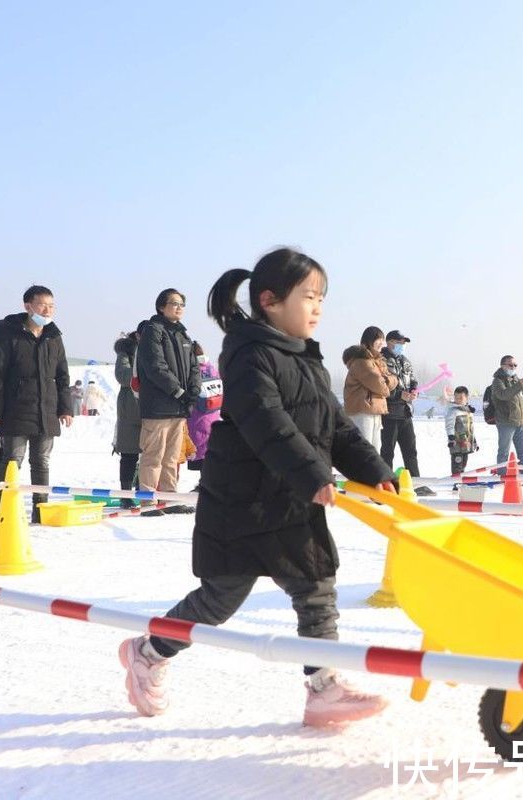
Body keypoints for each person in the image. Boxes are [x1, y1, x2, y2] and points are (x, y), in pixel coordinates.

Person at [118, 247, 394, 727]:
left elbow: (334, 424)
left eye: (321, 298)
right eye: (308, 296)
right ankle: (147, 652)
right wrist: (312, 473)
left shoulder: (306, 359)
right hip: (244, 500)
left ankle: (323, 687)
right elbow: (265, 421)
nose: (318, 307)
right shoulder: (249, 355)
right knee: (220, 598)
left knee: (315, 587)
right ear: (269, 300)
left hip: (288, 497)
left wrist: (373, 470)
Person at [0, 285, 72, 524]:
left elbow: (62, 374)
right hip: (16, 408)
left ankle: (40, 510)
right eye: (42, 304)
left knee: (41, 461)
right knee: (13, 459)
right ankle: (2, 512)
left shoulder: (53, 335)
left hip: (46, 408)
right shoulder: (8, 333)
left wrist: (65, 407)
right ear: (28, 306)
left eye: (51, 305)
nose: (47, 310)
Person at [135, 288, 202, 516]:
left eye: (182, 303)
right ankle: (147, 502)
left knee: (172, 457)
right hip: (157, 407)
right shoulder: (154, 331)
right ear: (161, 306)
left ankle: (169, 499)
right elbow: (155, 367)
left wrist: (193, 391)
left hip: (178, 407)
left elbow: (194, 367)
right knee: (154, 455)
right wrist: (178, 391)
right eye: (174, 303)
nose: (179, 307)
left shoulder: (183, 334)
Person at [342, 326, 396, 450]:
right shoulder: (361, 361)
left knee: (374, 451)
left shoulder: (377, 361)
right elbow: (379, 385)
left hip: (375, 410)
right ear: (369, 341)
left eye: (382, 340)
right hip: (363, 411)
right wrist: (386, 382)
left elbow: (394, 379)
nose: (381, 343)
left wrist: (386, 380)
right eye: (378, 340)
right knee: (364, 450)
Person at [379, 330, 422, 481]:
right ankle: (386, 484)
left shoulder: (405, 361)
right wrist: (398, 394)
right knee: (387, 452)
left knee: (411, 451)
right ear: (389, 342)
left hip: (406, 413)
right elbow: (380, 386)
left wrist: (414, 391)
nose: (402, 346)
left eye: (403, 343)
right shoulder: (381, 360)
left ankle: (416, 483)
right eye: (399, 343)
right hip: (389, 414)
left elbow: (413, 381)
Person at [113, 332, 142, 509]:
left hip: (149, 410)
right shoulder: (125, 353)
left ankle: (142, 489)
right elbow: (123, 376)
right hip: (129, 412)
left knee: (148, 456)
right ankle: (125, 494)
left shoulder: (155, 351)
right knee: (129, 455)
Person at [489, 355, 523, 471]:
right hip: (506, 422)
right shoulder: (497, 381)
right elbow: (503, 395)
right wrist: (519, 385)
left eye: (515, 365)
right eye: (510, 365)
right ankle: (502, 475)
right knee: (504, 452)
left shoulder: (516, 380)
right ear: (503, 366)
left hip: (520, 422)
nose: (513, 367)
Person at [186, 342, 223, 472]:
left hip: (198, 417)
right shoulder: (212, 369)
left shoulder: (193, 371)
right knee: (208, 452)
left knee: (200, 452)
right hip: (213, 416)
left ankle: (203, 485)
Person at [445, 386, 478, 476]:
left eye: (460, 398)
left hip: (466, 443)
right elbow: (449, 425)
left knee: (463, 464)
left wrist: (474, 441)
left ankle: (461, 482)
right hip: (457, 443)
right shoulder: (453, 411)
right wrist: (451, 438)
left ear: (466, 398)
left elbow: (471, 429)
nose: (458, 400)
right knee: (457, 465)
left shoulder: (468, 412)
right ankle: (456, 484)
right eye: (456, 397)